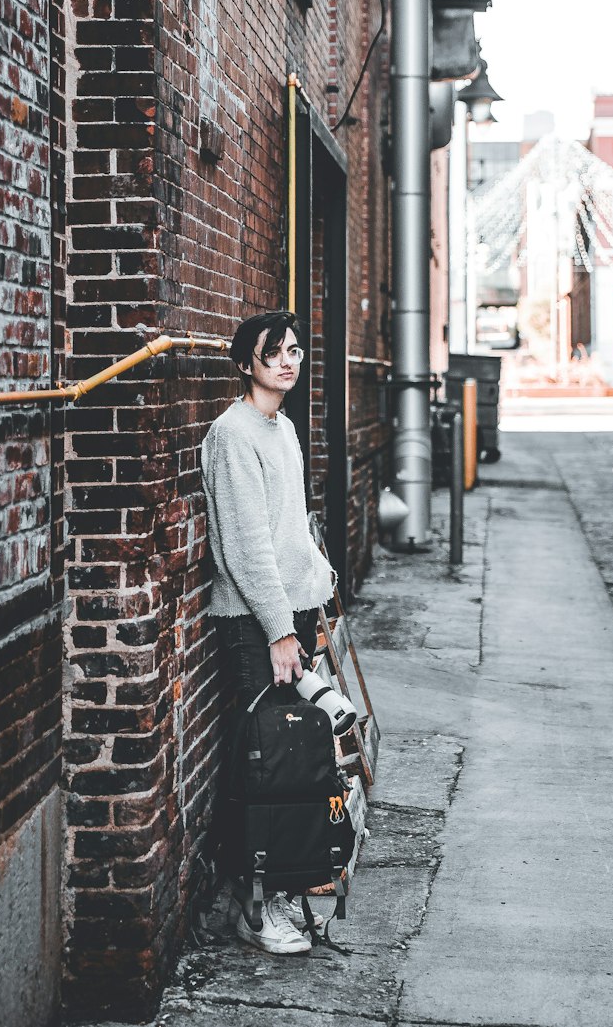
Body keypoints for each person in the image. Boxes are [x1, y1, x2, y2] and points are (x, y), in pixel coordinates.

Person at [202, 309, 336, 955]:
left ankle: (264, 891)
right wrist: (281, 631)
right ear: (244, 362)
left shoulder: (280, 427)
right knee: (272, 766)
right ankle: (259, 907)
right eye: (272, 351)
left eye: (294, 349)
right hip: (256, 621)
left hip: (290, 611)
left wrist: (317, 588)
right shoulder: (233, 434)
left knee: (292, 759)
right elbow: (246, 546)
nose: (287, 360)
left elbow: (290, 527)